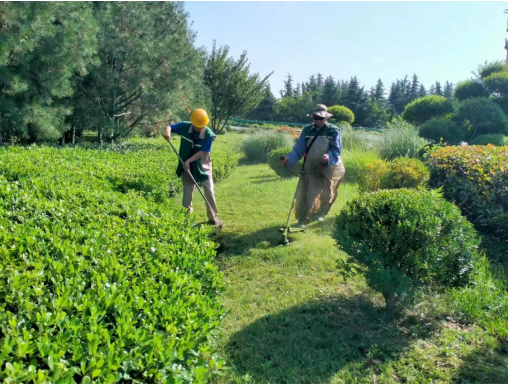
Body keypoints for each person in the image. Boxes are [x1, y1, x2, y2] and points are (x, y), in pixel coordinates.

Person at [281, 104, 345, 227]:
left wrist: (329, 157)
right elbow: (298, 148)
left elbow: (336, 150)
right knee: (305, 192)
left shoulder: (333, 130)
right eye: (316, 117)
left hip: (326, 167)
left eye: (321, 118)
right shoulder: (307, 130)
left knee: (324, 191)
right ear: (312, 117)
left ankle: (318, 214)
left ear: (326, 118)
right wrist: (288, 159)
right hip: (309, 166)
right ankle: (302, 218)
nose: (318, 120)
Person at [163, 108, 220, 224]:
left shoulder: (209, 134)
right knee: (187, 192)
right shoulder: (184, 126)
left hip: (203, 164)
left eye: (203, 125)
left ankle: (213, 218)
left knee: (209, 191)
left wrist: (189, 161)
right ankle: (186, 219)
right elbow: (170, 126)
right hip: (186, 164)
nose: (201, 128)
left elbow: (202, 152)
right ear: (192, 122)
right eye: (198, 125)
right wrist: (167, 133)